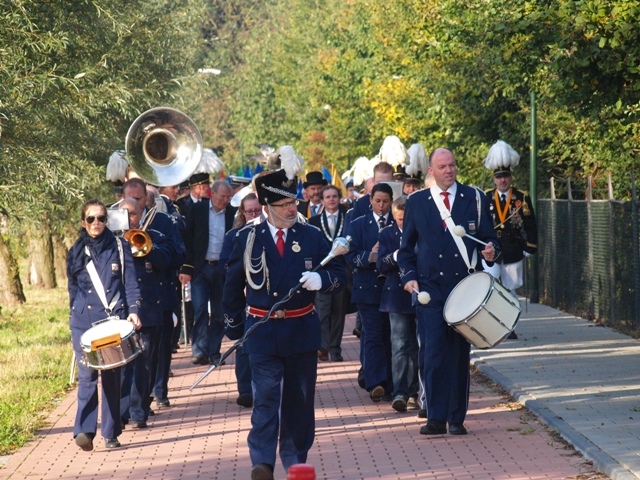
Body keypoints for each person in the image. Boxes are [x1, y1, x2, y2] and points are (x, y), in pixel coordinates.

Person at [222, 165, 347, 480]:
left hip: (300, 329)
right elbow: (232, 285)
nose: (292, 208)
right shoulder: (247, 237)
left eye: (293, 201)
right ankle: (263, 461)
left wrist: (322, 279)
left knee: (298, 400)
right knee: (265, 396)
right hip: (262, 330)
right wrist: (234, 327)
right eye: (284, 205)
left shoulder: (311, 235)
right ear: (267, 208)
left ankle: (293, 459)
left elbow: (341, 274)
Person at [398, 148, 500, 436]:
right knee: (432, 354)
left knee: (457, 354)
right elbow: (405, 251)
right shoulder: (417, 202)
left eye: (452, 165)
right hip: (430, 290)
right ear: (431, 170)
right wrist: (409, 278)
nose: (449, 170)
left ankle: (456, 418)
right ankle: (435, 416)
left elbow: (490, 239)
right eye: (442, 166)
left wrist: (491, 252)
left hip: (463, 289)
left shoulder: (475, 198)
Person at [67, 199, 141, 451]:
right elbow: (72, 290)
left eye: (100, 218)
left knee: (111, 376)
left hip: (112, 321)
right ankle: (84, 431)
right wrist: (72, 321)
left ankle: (110, 432)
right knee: (87, 377)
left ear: (106, 221)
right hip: (84, 323)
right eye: (91, 219)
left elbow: (130, 283)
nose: (96, 223)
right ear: (83, 222)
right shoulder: (76, 251)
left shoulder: (120, 247)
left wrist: (134, 311)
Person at [118, 197, 172, 428]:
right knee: (120, 364)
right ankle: (121, 412)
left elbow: (167, 260)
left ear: (141, 214)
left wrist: (145, 247)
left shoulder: (155, 237)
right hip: (120, 310)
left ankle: (139, 412)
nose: (129, 219)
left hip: (148, 307)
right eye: (124, 214)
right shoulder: (111, 242)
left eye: (133, 214)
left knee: (145, 362)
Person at [346, 182, 395, 402]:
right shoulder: (358, 224)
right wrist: (369, 256)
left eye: (385, 202)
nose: (381, 206)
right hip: (367, 289)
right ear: (370, 201)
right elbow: (350, 256)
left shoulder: (399, 222)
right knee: (373, 335)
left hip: (393, 288)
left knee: (393, 336)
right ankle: (377, 382)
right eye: (377, 201)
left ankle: (393, 382)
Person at [179, 180, 236, 365]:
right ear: (212, 194)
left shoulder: (232, 213)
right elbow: (187, 239)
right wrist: (187, 267)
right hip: (201, 267)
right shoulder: (198, 210)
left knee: (219, 313)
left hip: (222, 268)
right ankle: (199, 351)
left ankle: (214, 351)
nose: (225, 200)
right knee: (201, 308)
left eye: (228, 197)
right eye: (222, 197)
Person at [219, 193, 263, 408]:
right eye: (250, 211)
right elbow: (225, 265)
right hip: (244, 297)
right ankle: (245, 390)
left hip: (264, 298)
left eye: (257, 211)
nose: (254, 215)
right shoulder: (234, 235)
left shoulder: (268, 234)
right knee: (243, 344)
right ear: (242, 213)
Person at [377, 196, 419, 412]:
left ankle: (414, 392)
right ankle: (400, 391)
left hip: (419, 295)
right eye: (399, 219)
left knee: (417, 346)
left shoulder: (422, 232)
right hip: (396, 297)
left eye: (405, 218)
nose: (403, 223)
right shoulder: (387, 234)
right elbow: (381, 265)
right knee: (400, 345)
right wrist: (395, 256)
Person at [309, 185, 348, 362]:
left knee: (338, 312)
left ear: (339, 198)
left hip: (341, 272)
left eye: (334, 196)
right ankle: (323, 346)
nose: (331, 199)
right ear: (322, 200)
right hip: (323, 272)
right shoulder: (315, 222)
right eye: (328, 197)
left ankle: (336, 349)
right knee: (322, 311)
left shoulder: (348, 218)